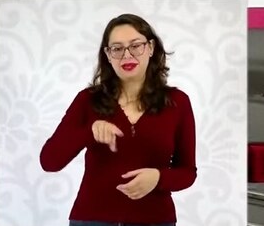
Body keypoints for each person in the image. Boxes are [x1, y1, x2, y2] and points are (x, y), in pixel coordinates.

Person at [40, 14, 197, 226]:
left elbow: (187, 172)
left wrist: (158, 178)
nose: (126, 55)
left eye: (135, 46)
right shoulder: (88, 100)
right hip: (92, 219)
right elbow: (49, 161)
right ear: (107, 54)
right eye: (117, 48)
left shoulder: (178, 102)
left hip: (155, 220)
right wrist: (89, 131)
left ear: (150, 48)